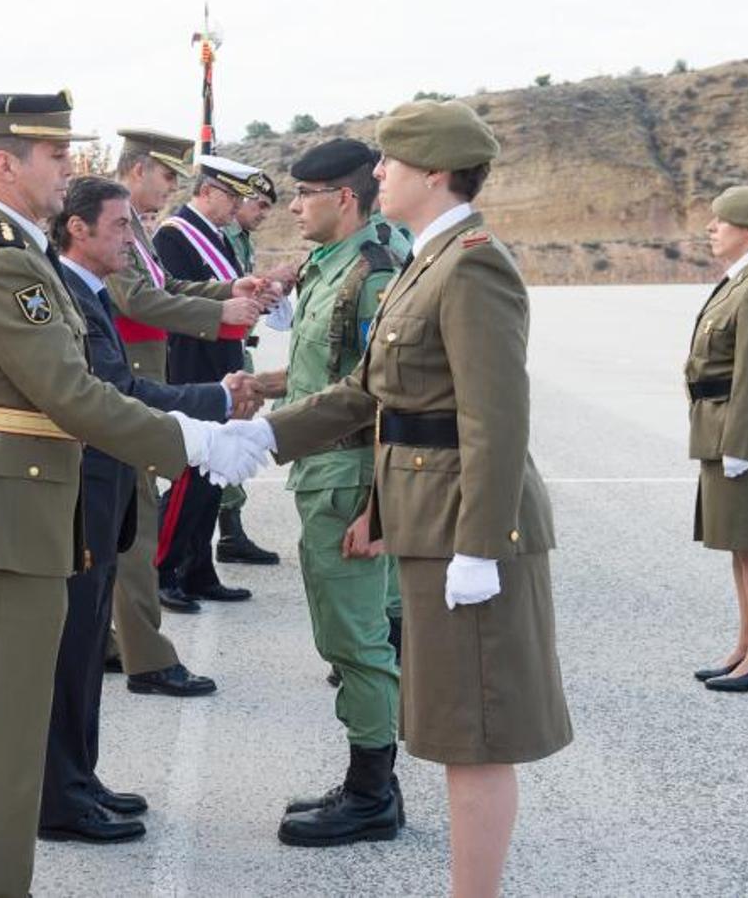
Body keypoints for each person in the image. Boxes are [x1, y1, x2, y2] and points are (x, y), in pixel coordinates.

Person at [224, 100, 573, 896]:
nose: (376, 172)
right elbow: (371, 391)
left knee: (475, 735)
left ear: (436, 173)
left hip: (464, 528)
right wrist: (262, 437)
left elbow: (494, 418)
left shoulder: (471, 263)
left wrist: (480, 547)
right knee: (454, 729)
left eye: (392, 161)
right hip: (431, 517)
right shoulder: (427, 258)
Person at [0, 90, 266, 898]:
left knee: (13, 737)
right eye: (55, 155)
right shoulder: (5, 257)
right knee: (5, 745)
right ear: (5, 162)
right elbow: (72, 394)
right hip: (6, 513)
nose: (68, 167)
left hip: (23, 505)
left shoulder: (13, 248)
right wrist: (195, 440)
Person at [39, 175, 262, 845]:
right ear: (78, 229)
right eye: (119, 228)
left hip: (103, 482)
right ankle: (60, 797)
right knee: (71, 647)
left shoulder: (86, 290)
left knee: (86, 648)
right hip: (80, 488)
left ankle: (81, 779)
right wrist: (213, 401)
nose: (132, 241)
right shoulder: (64, 293)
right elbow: (115, 390)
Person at [251, 138, 409, 846]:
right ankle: (371, 783)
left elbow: (390, 395)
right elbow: (332, 372)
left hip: (350, 479)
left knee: (355, 642)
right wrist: (262, 385)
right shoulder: (332, 265)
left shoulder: (372, 275)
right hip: (324, 470)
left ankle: (372, 796)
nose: (292, 207)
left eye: (304, 195)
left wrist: (379, 510)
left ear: (343, 198)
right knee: (346, 637)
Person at [105, 129, 267, 697]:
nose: (174, 186)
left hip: (143, 373)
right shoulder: (113, 222)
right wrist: (220, 314)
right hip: (129, 379)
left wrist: (227, 289)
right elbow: (136, 299)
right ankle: (146, 657)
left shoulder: (135, 225)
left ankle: (109, 641)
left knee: (125, 521)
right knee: (136, 526)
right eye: (168, 175)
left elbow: (165, 284)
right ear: (139, 170)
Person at [153, 155, 265, 608]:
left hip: (220, 360)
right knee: (191, 473)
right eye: (232, 196)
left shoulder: (218, 237)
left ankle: (198, 568)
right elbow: (171, 299)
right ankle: (162, 568)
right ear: (207, 192)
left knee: (213, 473)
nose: (237, 206)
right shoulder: (173, 235)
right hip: (192, 364)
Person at [687, 184, 748, 692]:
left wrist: (741, 445)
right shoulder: (740, 279)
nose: (711, 227)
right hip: (720, 424)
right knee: (739, 544)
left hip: (746, 434)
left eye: (721, 220)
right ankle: (747, 646)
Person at [216, 171, 281, 565]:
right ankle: (228, 530)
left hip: (240, 347)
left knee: (236, 437)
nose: (263, 214)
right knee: (224, 438)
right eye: (259, 205)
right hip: (220, 350)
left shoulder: (240, 240)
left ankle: (231, 528)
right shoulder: (218, 237)